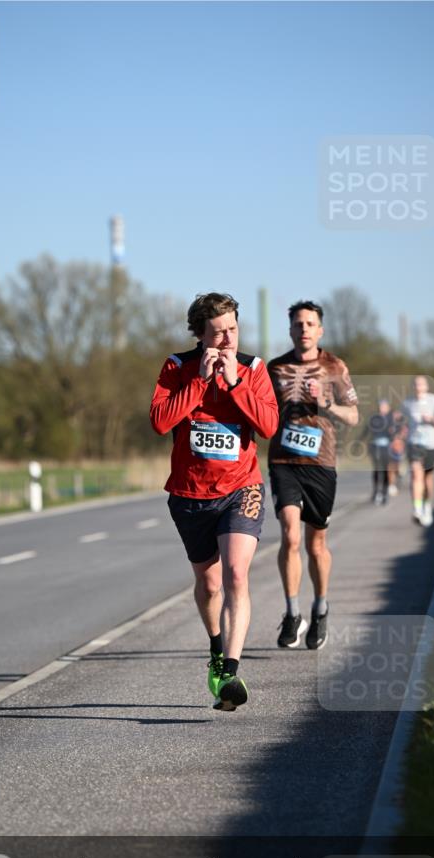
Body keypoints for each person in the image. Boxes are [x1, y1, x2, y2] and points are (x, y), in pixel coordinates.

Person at [150, 292, 278, 711]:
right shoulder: (177, 367)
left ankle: (231, 671)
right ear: (200, 336)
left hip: (242, 488)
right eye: (218, 332)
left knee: (236, 575)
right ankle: (215, 650)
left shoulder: (254, 368)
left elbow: (269, 425)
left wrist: (235, 383)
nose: (226, 340)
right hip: (189, 495)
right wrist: (199, 382)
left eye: (232, 330)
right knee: (208, 584)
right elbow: (160, 421)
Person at [267, 300, 359, 650]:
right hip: (283, 461)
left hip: (321, 463)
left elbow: (352, 416)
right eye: (298, 324)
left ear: (320, 330)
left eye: (310, 324)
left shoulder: (334, 366)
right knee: (289, 535)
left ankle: (320, 608)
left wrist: (327, 405)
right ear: (290, 330)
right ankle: (292, 613)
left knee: (315, 544)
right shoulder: (275, 368)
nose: (303, 329)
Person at [402, 376, 434, 527]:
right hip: (414, 443)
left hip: (431, 444)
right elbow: (402, 423)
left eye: (421, 384)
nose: (418, 386)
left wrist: (432, 420)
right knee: (416, 474)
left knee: (428, 479)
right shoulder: (407, 404)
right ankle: (417, 509)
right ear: (413, 387)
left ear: (426, 387)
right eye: (415, 384)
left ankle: (427, 506)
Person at [365, 399, 394, 504]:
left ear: (388, 407)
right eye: (381, 406)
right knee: (377, 469)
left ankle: (385, 492)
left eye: (384, 406)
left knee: (385, 470)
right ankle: (376, 491)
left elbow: (393, 433)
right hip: (375, 446)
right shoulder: (374, 418)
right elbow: (367, 430)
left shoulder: (391, 418)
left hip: (386, 447)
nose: (382, 408)